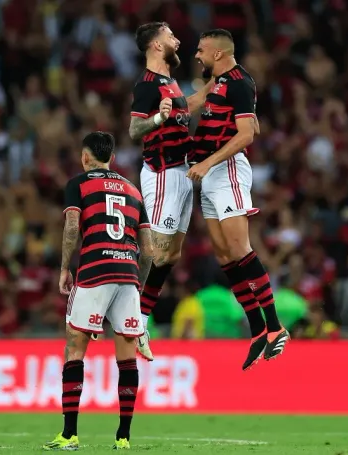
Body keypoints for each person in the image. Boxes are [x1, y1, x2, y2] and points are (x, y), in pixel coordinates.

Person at [43, 132, 154, 451]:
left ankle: (70, 434)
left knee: (74, 350)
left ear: (85, 157)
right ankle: (123, 438)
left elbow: (73, 226)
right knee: (127, 359)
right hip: (127, 276)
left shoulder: (78, 184)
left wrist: (65, 268)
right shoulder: (134, 191)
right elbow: (148, 252)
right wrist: (137, 285)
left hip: (94, 271)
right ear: (112, 158)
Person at [188, 29, 288, 370]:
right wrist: (158, 106)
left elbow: (247, 135)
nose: (197, 55)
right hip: (210, 172)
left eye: (201, 50)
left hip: (225, 168)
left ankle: (274, 326)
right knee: (224, 253)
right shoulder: (216, 82)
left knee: (240, 248)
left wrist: (205, 162)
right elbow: (192, 104)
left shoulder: (240, 82)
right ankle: (257, 328)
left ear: (217, 53)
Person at [128, 22, 213, 361]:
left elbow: (182, 109)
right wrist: (158, 121)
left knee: (171, 255)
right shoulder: (147, 85)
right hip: (163, 174)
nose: (177, 39)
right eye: (170, 35)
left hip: (182, 173)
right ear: (156, 46)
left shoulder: (170, 84)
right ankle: (132, 319)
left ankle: (140, 318)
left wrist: (210, 90)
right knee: (154, 250)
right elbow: (135, 129)